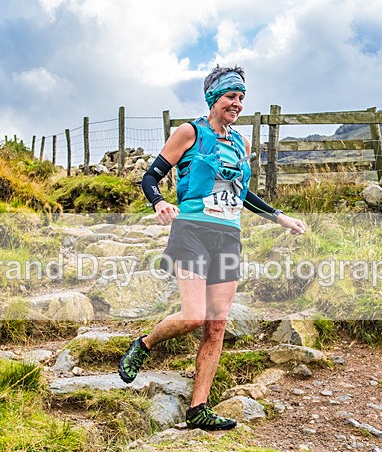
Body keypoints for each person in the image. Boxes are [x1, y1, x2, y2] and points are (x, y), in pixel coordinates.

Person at [118, 66, 306, 431]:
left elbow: (241, 192)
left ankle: (198, 409)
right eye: (230, 97)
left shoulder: (241, 143)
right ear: (213, 99)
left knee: (216, 325)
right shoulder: (190, 132)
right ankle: (144, 344)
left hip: (227, 236)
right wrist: (158, 202)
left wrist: (278, 216)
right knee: (193, 316)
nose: (236, 104)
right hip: (191, 231)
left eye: (240, 98)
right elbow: (151, 176)